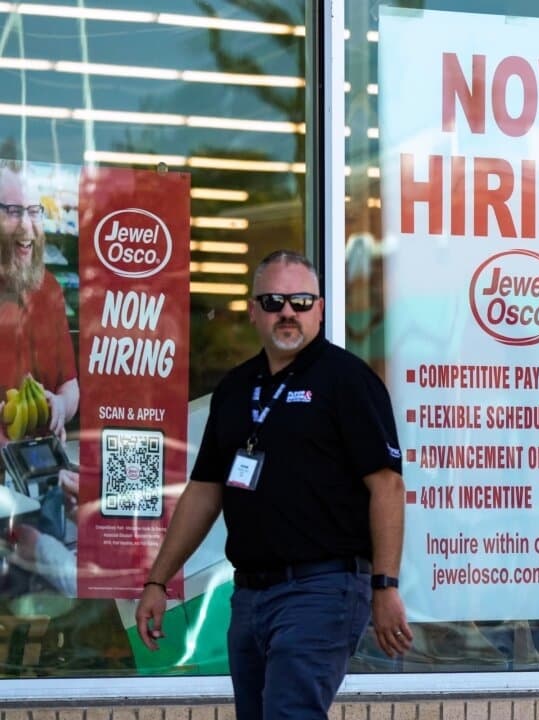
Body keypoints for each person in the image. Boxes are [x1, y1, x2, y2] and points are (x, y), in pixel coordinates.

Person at [135, 250, 412, 719]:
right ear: (253, 311)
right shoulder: (236, 388)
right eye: (274, 301)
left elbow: (388, 487)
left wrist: (385, 587)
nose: (288, 312)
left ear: (320, 309)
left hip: (322, 589)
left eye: (302, 301)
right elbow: (205, 490)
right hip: (249, 596)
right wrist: (158, 580)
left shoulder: (346, 380)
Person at [0, 160, 79, 443]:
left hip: (42, 467)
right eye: (13, 211)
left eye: (34, 212)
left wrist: (60, 406)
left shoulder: (49, 289)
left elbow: (69, 384)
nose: (26, 225)